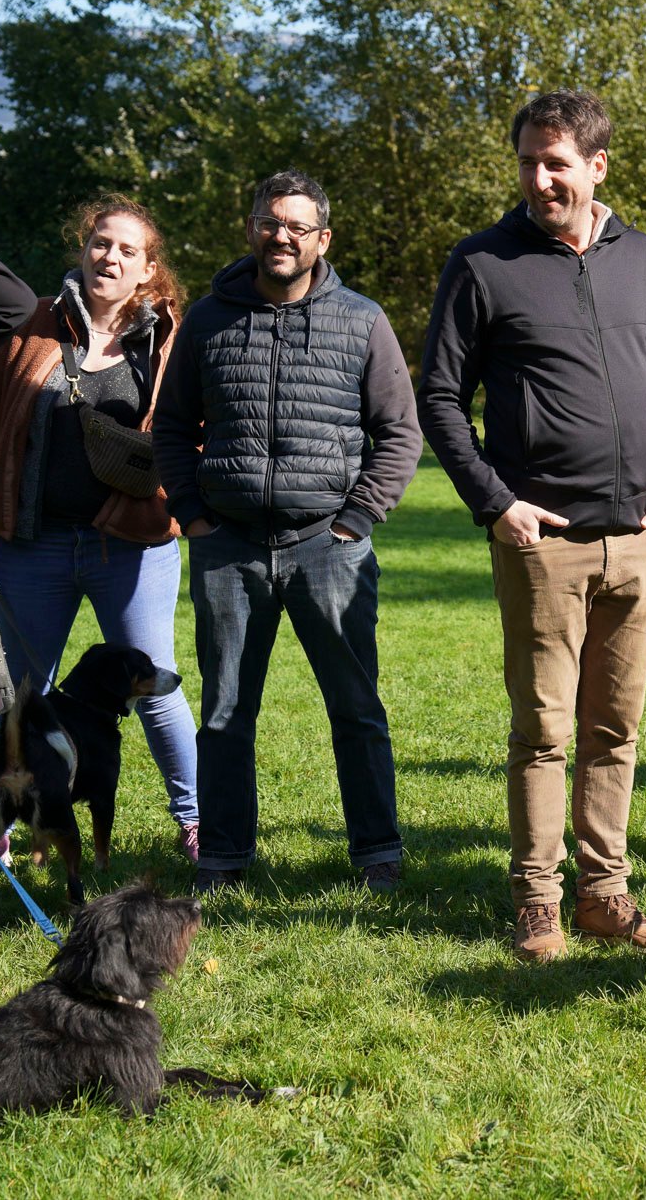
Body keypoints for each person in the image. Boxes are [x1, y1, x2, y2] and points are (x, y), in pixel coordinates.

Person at [417, 90, 646, 962]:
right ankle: (538, 900)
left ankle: (605, 894)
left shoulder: (645, 260)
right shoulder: (483, 263)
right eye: (529, 163)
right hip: (542, 543)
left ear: (597, 166)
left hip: (639, 538)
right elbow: (439, 396)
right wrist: (495, 501)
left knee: (616, 729)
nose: (540, 179)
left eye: (557, 163)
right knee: (543, 732)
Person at [153, 169, 421, 894]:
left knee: (356, 708)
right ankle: (223, 858)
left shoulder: (362, 320)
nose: (282, 236)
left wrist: (357, 518)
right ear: (252, 228)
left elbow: (400, 433)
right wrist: (193, 512)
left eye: (298, 226)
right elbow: (171, 426)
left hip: (329, 546)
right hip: (227, 545)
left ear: (321, 239)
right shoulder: (208, 319)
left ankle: (377, 852)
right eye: (271, 222)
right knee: (225, 713)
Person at [0, 197, 200, 862]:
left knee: (155, 694)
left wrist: (177, 503)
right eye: (102, 242)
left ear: (149, 268)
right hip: (30, 545)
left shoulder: (170, 339)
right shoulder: (32, 323)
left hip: (131, 547)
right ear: (83, 248)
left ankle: (198, 821)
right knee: (13, 699)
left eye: (129, 250)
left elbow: (196, 431)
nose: (111, 257)